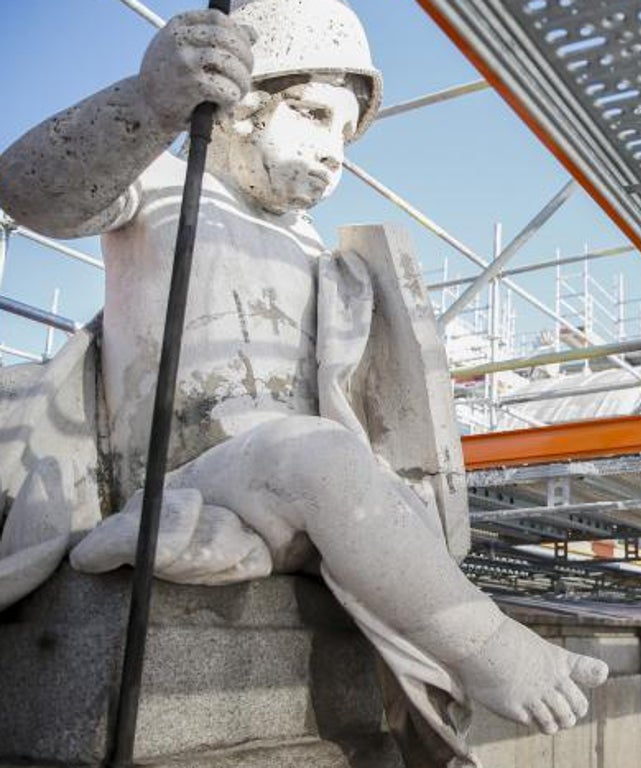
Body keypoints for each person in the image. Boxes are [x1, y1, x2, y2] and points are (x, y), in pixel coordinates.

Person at [0, 2, 606, 763]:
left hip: (297, 483)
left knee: (358, 481)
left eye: (345, 134)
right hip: (196, 473)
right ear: (237, 107)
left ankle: (378, 616)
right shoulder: (164, 181)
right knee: (313, 456)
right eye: (314, 115)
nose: (333, 153)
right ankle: (485, 647)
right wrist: (149, 102)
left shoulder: (319, 251)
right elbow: (33, 192)